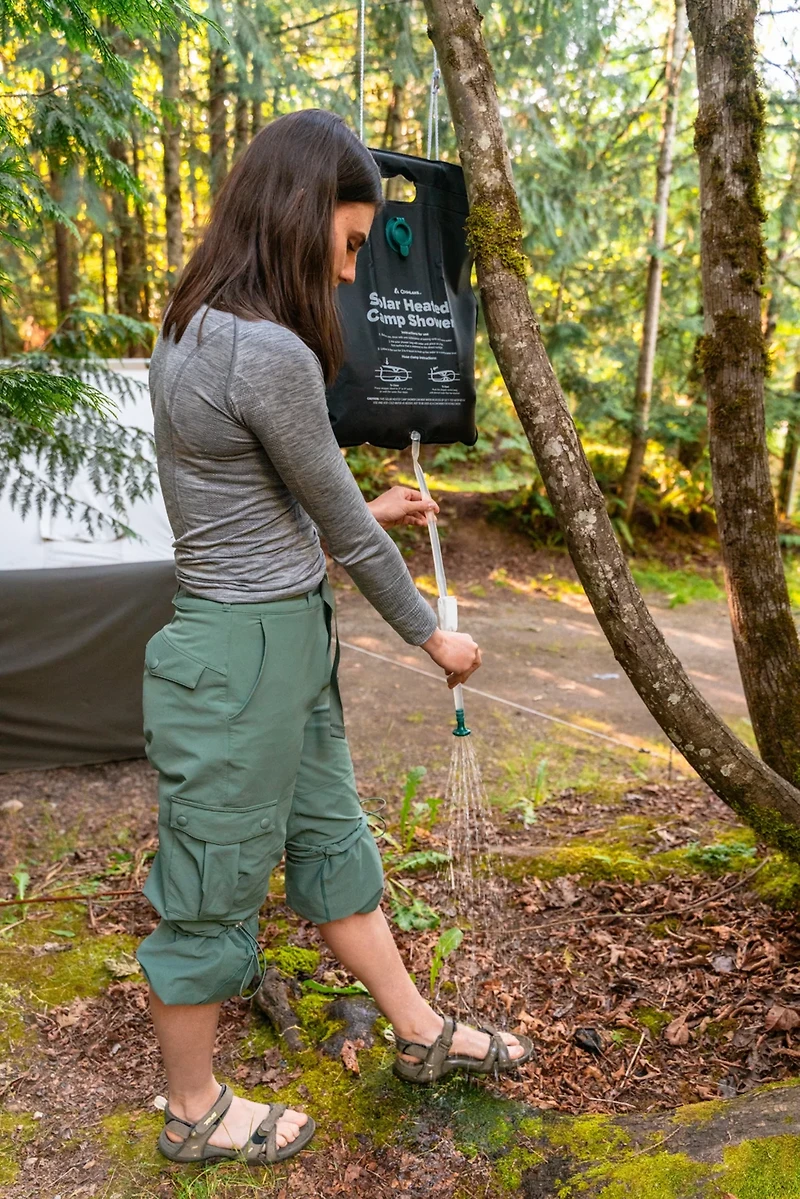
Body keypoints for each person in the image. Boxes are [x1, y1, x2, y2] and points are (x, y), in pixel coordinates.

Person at [137, 108, 533, 1168]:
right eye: (350, 245)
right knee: (211, 884)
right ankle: (192, 1109)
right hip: (240, 657)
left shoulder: (192, 324)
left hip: (271, 639)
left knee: (329, 842)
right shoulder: (266, 349)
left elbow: (251, 497)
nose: (354, 272)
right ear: (301, 217)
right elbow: (342, 531)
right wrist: (428, 637)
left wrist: (372, 507)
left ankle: (416, 1030)